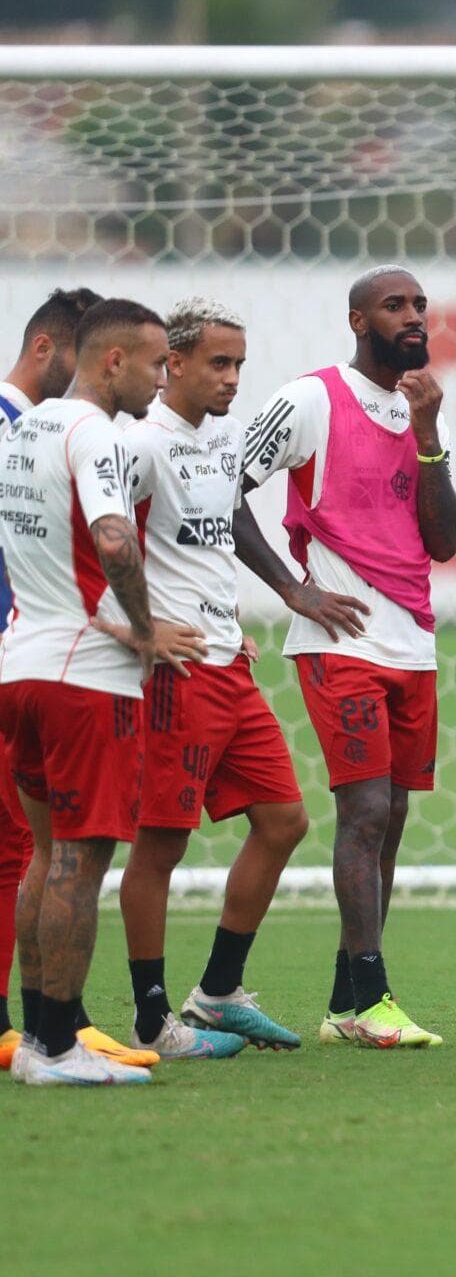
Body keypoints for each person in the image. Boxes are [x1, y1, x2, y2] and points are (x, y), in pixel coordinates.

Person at [235, 266, 456, 1049]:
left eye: (419, 306)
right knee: (364, 812)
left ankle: (344, 1004)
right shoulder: (311, 398)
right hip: (342, 644)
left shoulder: (416, 409)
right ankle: (372, 999)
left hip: (412, 641)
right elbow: (217, 485)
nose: (413, 317)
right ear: (357, 319)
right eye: (395, 306)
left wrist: (430, 436)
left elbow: (444, 541)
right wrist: (293, 590)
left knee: (392, 817)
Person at [102, 298, 308, 1060]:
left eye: (239, 366)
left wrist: (257, 604)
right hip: (175, 673)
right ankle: (152, 1018)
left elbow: (219, 535)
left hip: (229, 661)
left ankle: (217, 994)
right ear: (174, 364)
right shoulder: (139, 445)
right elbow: (100, 543)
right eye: (217, 364)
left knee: (284, 821)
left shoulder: (226, 440)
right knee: (160, 847)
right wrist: (139, 628)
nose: (231, 379)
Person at [0, 298, 191, 1085]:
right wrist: (144, 630)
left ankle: (41, 1037)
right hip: (85, 682)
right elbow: (114, 539)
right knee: (82, 860)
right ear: (113, 362)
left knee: (46, 856)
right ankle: (53, 1046)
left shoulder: (26, 430)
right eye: (155, 363)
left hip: (21, 665)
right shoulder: (96, 434)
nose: (162, 379)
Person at [0, 286, 101, 1071]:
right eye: (86, 356)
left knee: (27, 847)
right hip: (28, 659)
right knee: (23, 848)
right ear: (46, 351)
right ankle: (30, 1027)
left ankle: (47, 1020)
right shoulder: (17, 429)